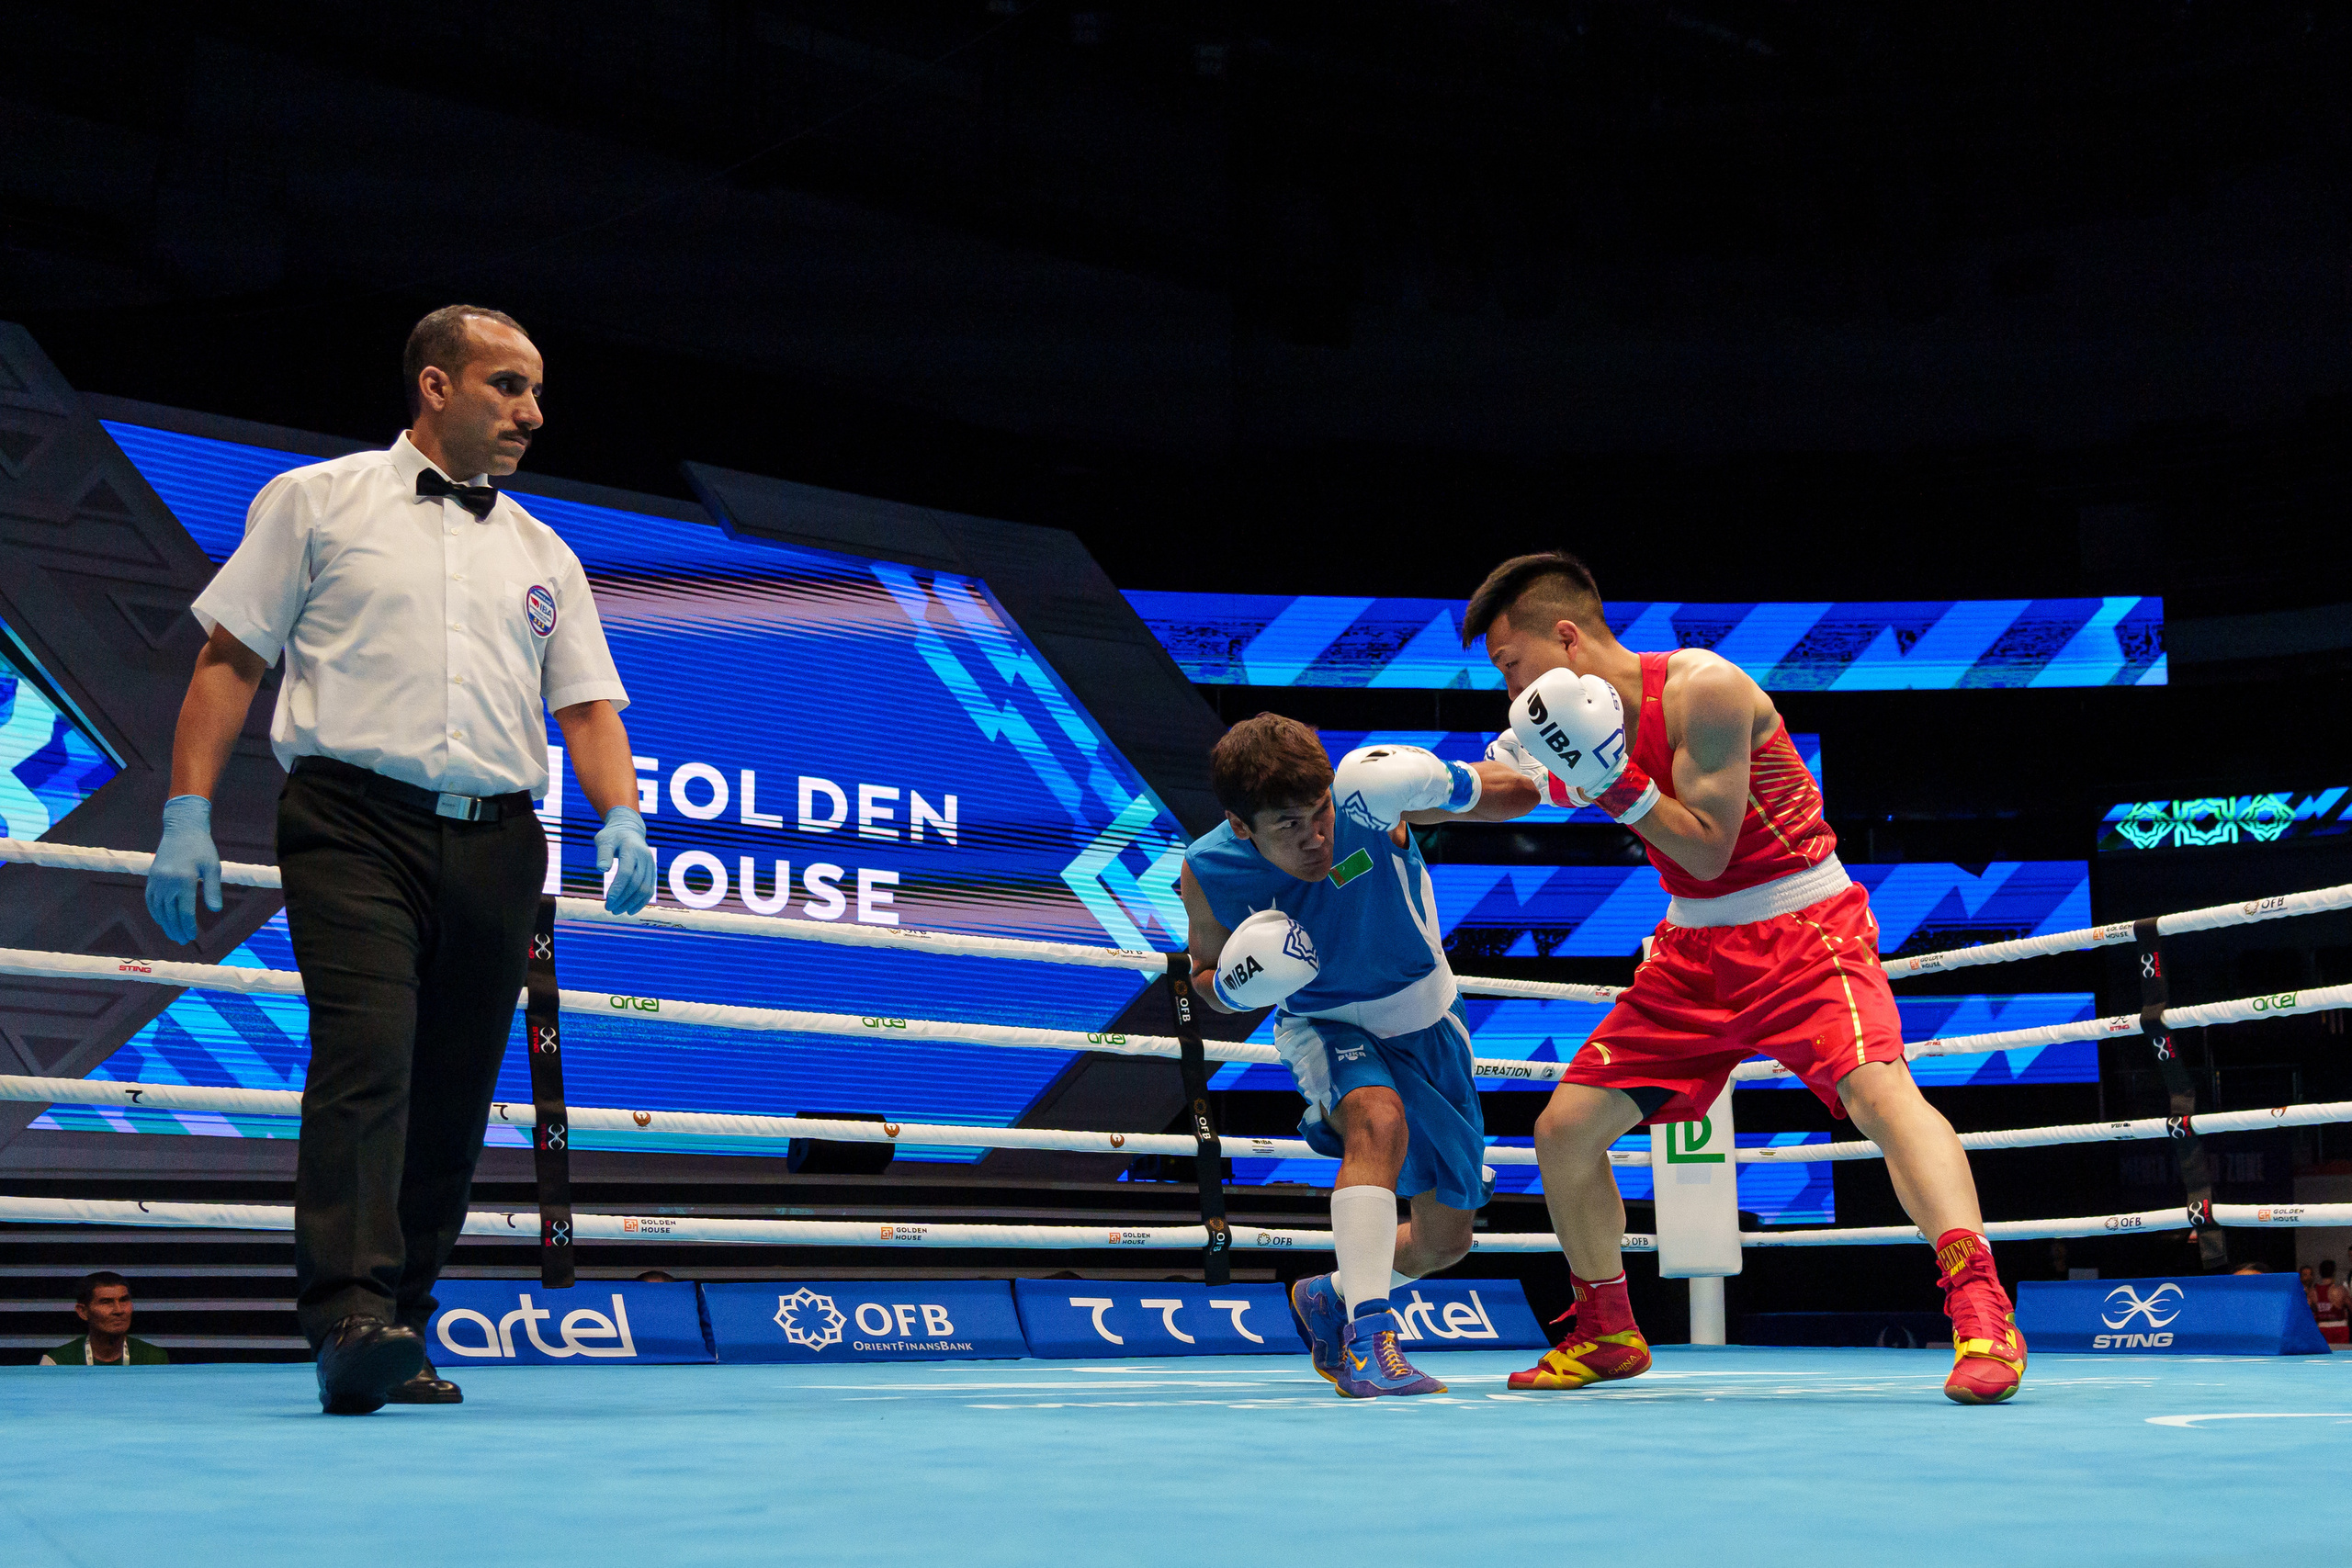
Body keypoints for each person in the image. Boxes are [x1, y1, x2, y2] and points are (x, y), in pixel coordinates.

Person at [141, 305, 658, 1415]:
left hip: (499, 839)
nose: (532, 412)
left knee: (452, 1094)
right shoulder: (314, 501)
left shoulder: (542, 551)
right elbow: (229, 662)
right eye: (508, 387)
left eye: (533, 392)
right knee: (367, 1059)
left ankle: (401, 1329)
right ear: (435, 386)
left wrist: (623, 814)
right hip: (350, 822)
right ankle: (347, 1317)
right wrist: (186, 810)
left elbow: (589, 707)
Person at [1464, 551, 2028, 1404]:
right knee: (1564, 1130)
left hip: (1802, 926)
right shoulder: (1564, 717)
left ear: (1567, 637)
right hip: (1693, 950)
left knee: (1881, 1093)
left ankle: (1983, 1308)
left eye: (1510, 662)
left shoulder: (1705, 691)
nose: (1507, 689)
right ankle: (1608, 1328)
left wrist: (1612, 783)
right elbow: (1509, 784)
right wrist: (1399, 795)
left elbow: (1706, 845)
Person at [1179, 714, 1538, 1397]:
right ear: (1241, 823)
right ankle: (1370, 1337)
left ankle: (1332, 1293)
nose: (1316, 837)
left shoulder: (1365, 797)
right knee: (1378, 1119)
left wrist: (1526, 774)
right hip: (1324, 1020)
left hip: (1428, 1017)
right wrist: (1232, 981)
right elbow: (1205, 984)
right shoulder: (1208, 868)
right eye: (1289, 825)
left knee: (1445, 1240)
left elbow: (1512, 797)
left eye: (1319, 814)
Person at [40, 1272, 169, 1366]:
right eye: (106, 1302)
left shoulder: (155, 1359)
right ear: (83, 1311)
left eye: (124, 1300)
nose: (119, 1310)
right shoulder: (57, 1362)